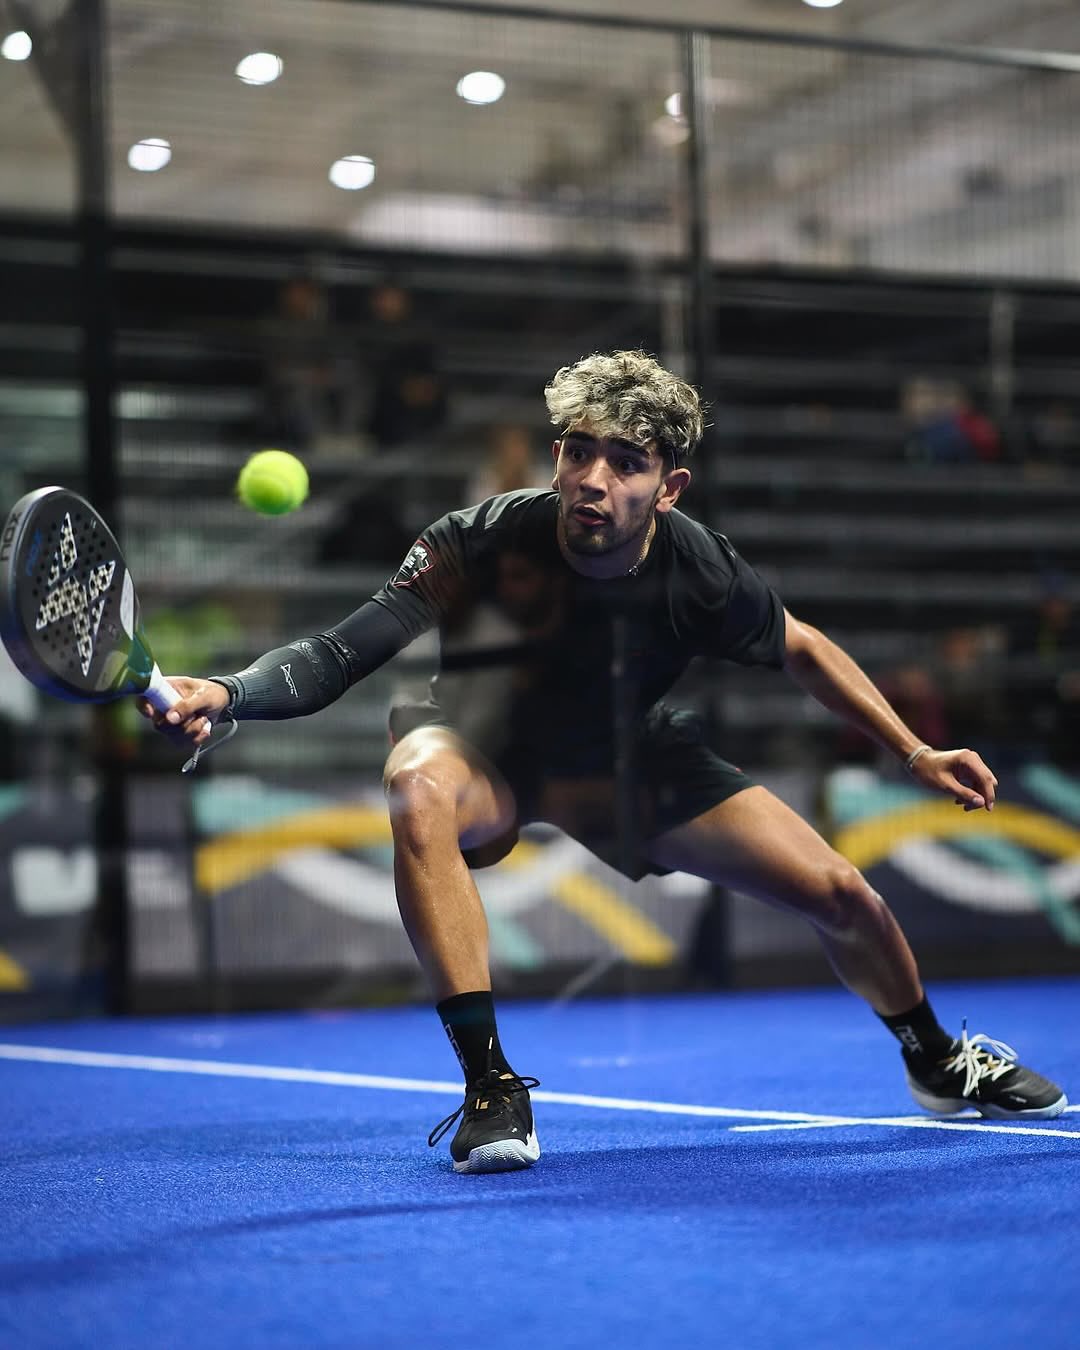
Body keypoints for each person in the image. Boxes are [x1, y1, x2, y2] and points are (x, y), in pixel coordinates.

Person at [141, 350, 1067, 1174]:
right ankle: (491, 1085)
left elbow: (801, 647)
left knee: (841, 894)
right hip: (485, 752)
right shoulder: (482, 538)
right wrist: (228, 694)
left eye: (625, 463)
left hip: (625, 759)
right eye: (577, 451)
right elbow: (344, 651)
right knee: (416, 781)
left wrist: (910, 748)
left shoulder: (699, 570)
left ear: (669, 487)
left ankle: (935, 1057)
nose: (591, 478)